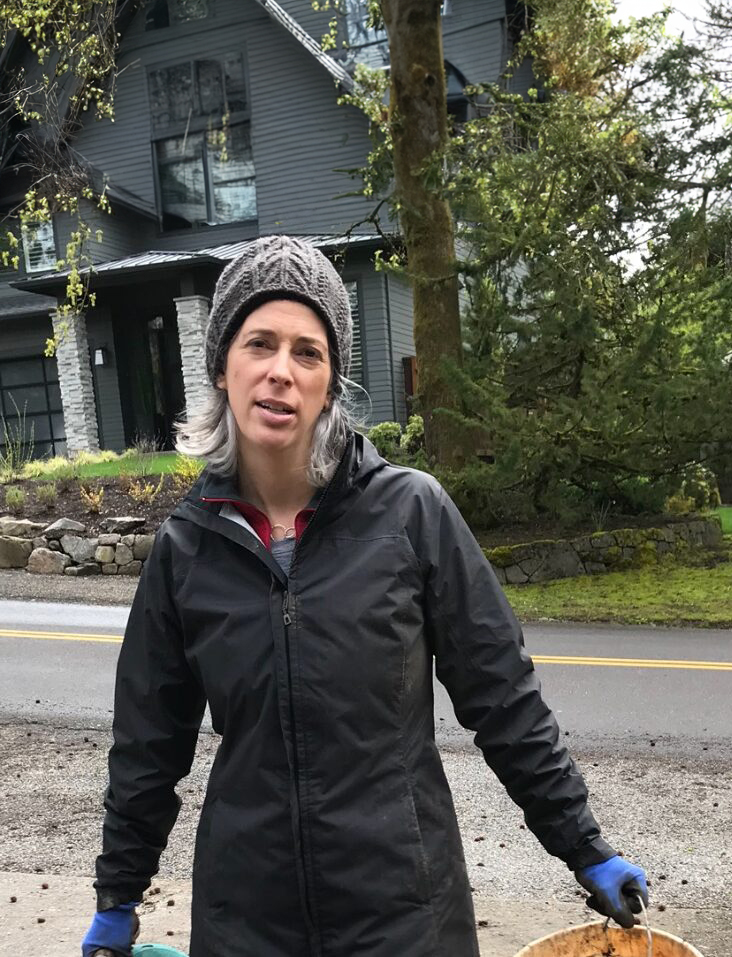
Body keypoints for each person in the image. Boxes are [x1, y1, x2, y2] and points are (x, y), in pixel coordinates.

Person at [82, 235, 647, 957]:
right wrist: (117, 897)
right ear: (222, 367)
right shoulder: (186, 547)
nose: (280, 372)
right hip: (245, 918)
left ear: (330, 381)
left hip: (403, 915)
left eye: (306, 351)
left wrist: (583, 844)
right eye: (259, 343)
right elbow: (147, 746)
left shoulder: (411, 514)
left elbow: (501, 697)